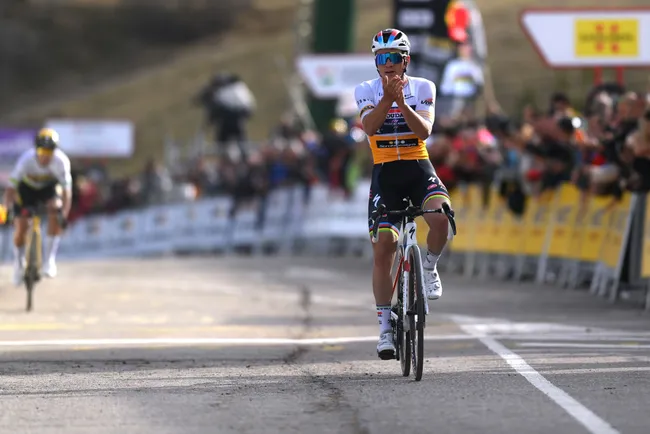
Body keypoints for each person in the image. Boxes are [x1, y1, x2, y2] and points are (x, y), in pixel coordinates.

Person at [354, 28, 453, 360]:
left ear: (405, 60)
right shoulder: (365, 90)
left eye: (393, 58)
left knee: (440, 217)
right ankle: (384, 328)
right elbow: (369, 127)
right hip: (386, 173)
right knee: (385, 247)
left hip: (417, 166)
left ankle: (429, 266)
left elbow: (424, 131)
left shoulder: (424, 87)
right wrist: (387, 99)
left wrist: (400, 102)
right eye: (381, 59)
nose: (388, 65)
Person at [2, 128, 72, 286]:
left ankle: (49, 260)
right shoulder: (26, 160)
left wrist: (64, 216)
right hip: (26, 190)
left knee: (56, 208)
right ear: (36, 150)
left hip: (48, 189)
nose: (46, 156)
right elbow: (10, 189)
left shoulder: (62, 162)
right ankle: (19, 264)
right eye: (42, 151)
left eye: (50, 152)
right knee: (21, 225)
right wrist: (6, 210)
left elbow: (67, 192)